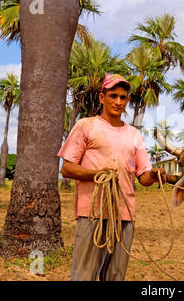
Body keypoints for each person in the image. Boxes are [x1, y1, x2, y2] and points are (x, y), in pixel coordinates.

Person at [58, 73, 166, 281]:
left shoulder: (134, 134)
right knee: (84, 275)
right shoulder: (86, 126)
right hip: (92, 213)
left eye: (123, 97)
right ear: (102, 98)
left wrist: (155, 175)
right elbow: (68, 169)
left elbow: (143, 178)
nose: (118, 101)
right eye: (113, 96)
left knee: (116, 276)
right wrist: (98, 174)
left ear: (127, 101)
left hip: (124, 215)